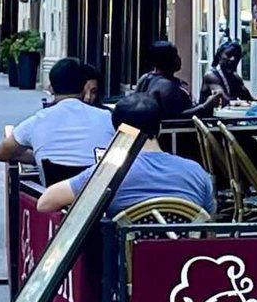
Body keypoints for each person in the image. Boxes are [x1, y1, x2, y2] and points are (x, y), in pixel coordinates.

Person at [35, 93, 217, 219]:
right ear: (159, 128)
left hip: (126, 266)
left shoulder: (108, 174)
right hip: (183, 267)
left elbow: (45, 203)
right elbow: (210, 220)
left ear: (117, 133)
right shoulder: (196, 172)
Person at [0, 58, 113, 180]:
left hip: (51, 196)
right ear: (83, 87)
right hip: (98, 195)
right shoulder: (107, 118)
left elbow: (0, 153)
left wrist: (38, 156)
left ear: (50, 88)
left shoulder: (36, 122)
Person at [134, 41, 196, 118]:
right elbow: (177, 116)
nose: (179, 58)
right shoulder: (167, 85)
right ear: (167, 60)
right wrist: (205, 106)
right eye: (175, 56)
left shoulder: (146, 77)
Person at [199, 40, 251, 110]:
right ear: (219, 56)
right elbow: (224, 101)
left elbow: (250, 99)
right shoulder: (211, 76)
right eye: (229, 55)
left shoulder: (235, 77)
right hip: (210, 119)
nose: (233, 59)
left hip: (227, 118)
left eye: (236, 56)